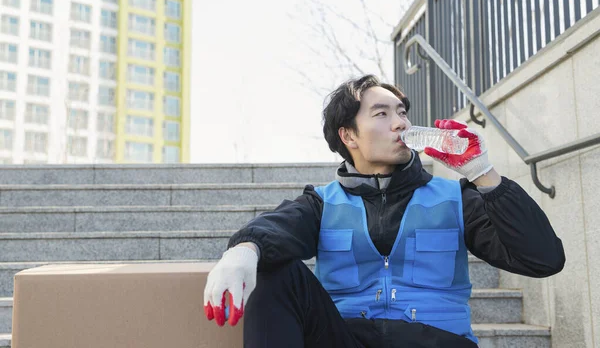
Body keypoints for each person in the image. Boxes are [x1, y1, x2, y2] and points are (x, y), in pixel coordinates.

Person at [203, 75, 565, 348]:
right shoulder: (322, 203)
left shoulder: (455, 197)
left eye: (402, 113)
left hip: (438, 341)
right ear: (349, 136)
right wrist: (244, 250)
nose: (401, 123)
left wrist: (483, 174)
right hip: (347, 338)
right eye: (382, 113)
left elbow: (543, 259)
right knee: (272, 267)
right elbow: (278, 229)